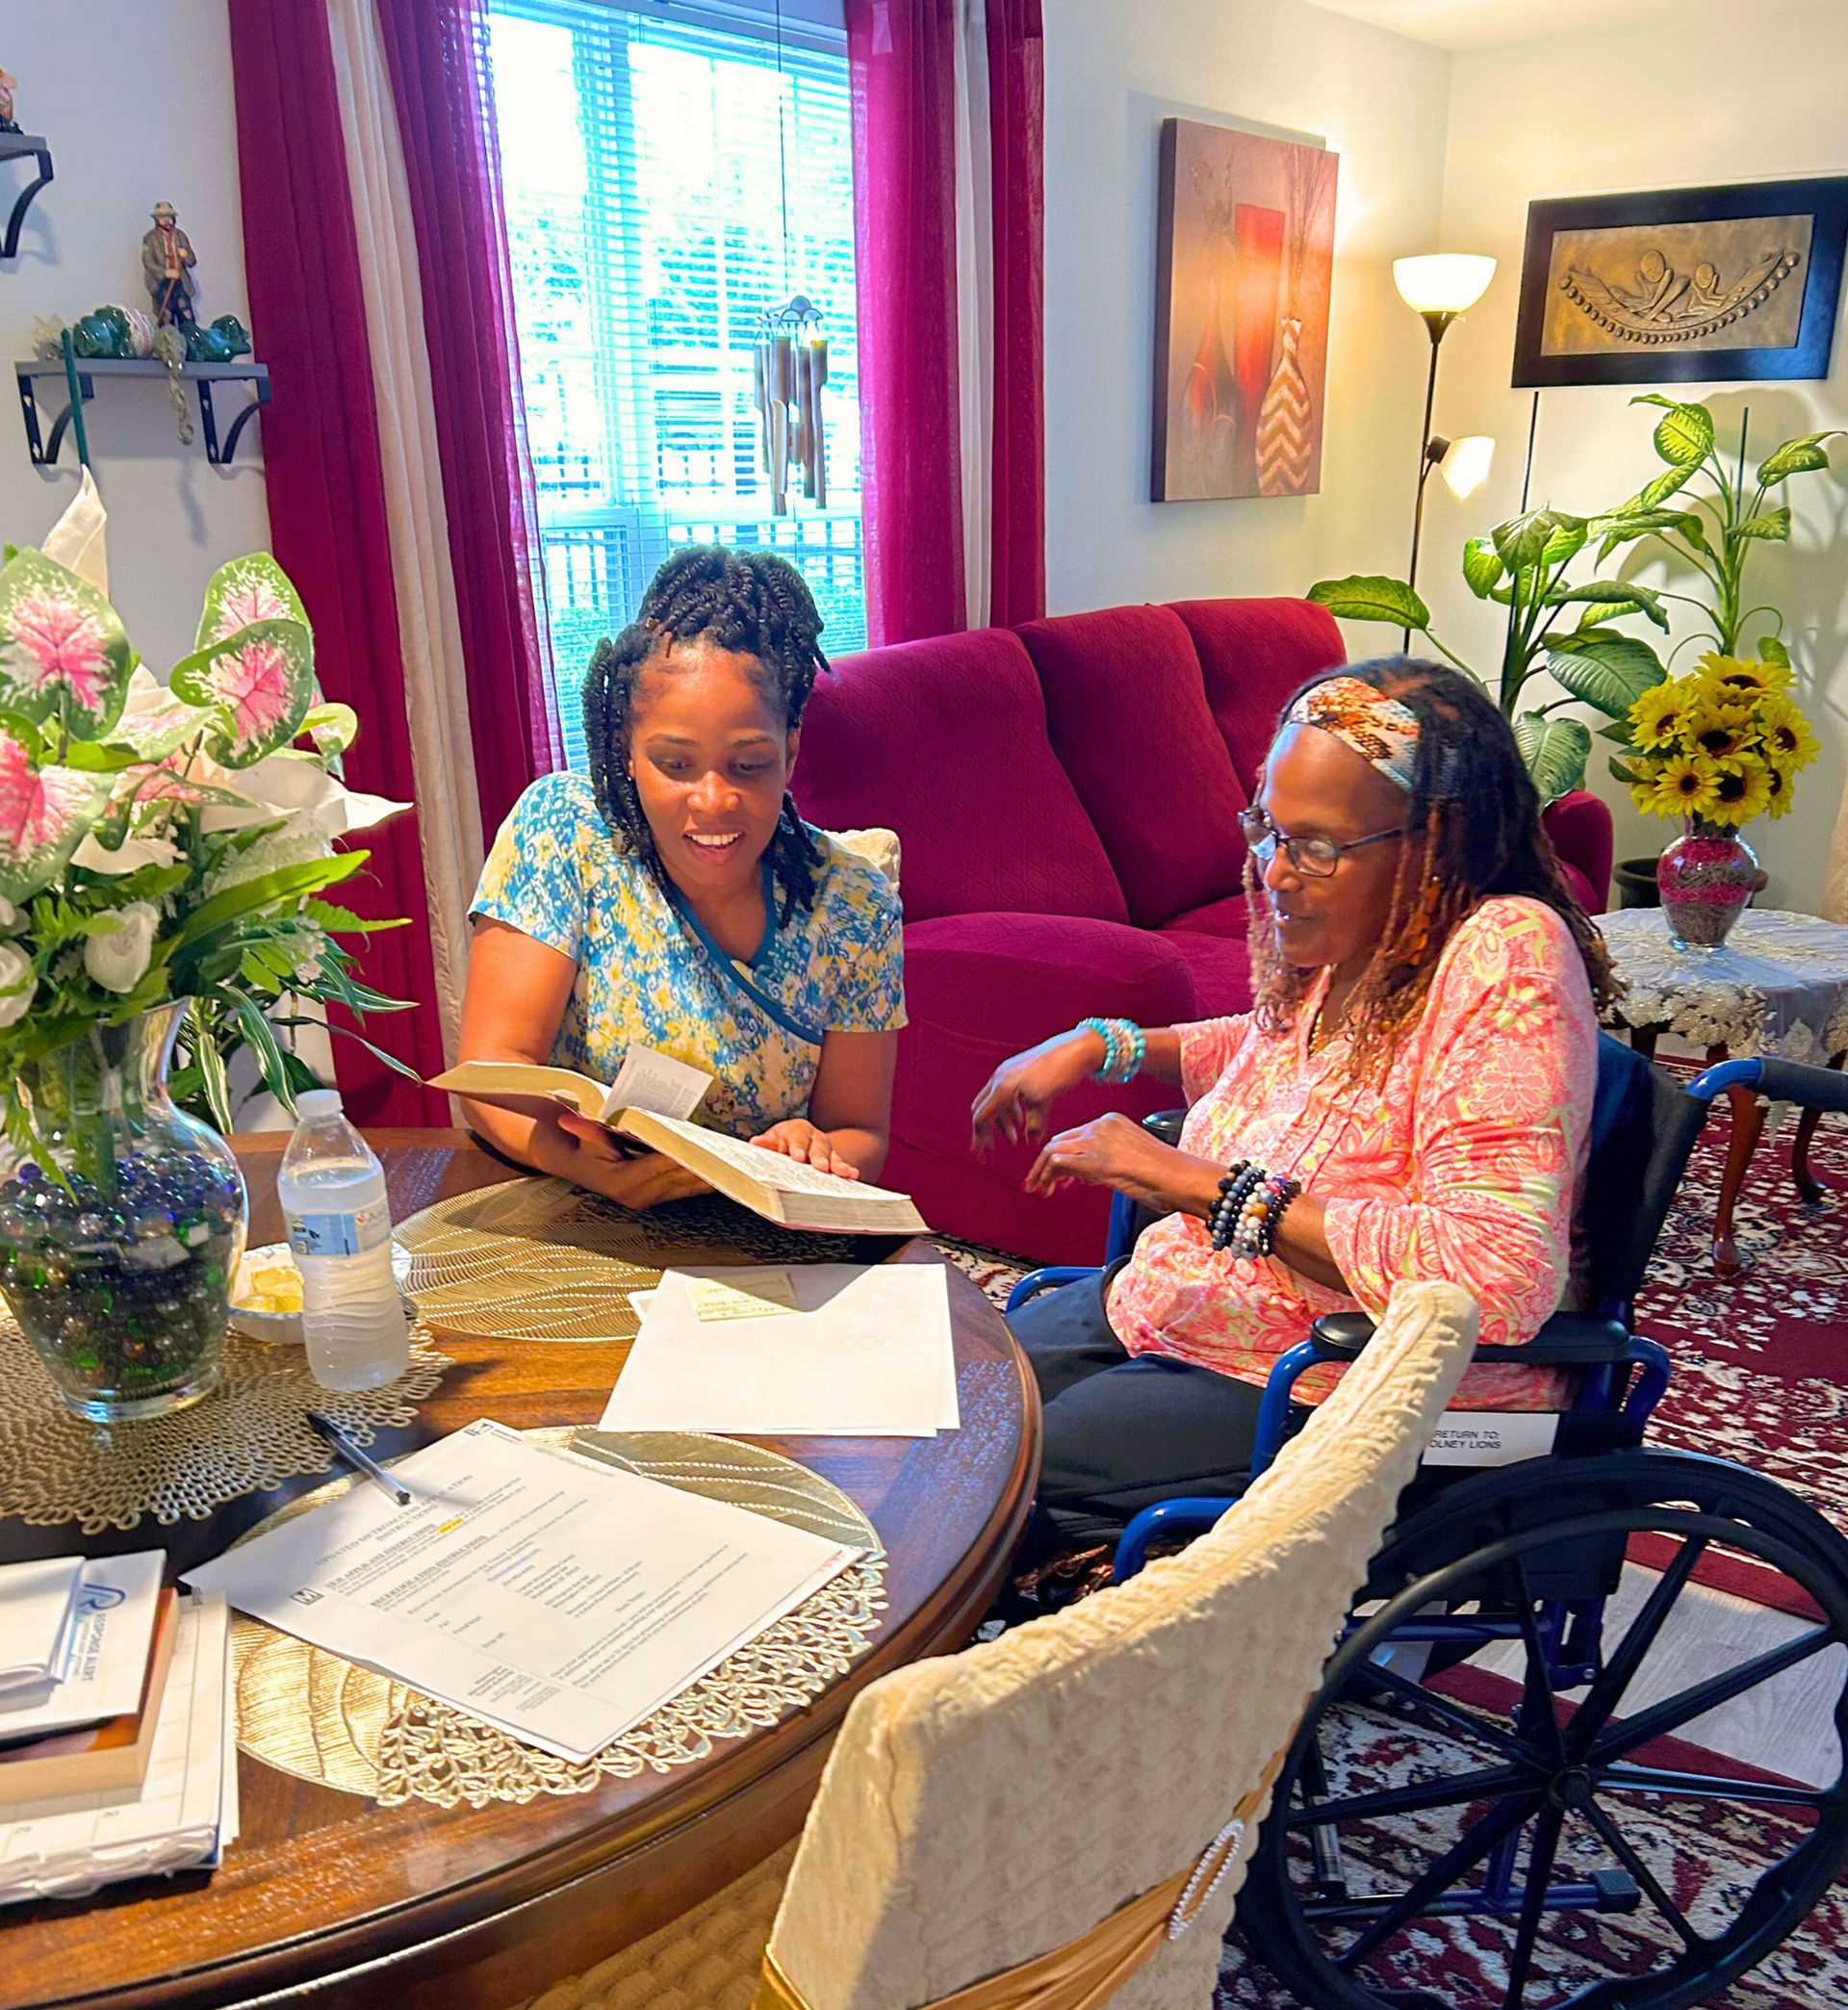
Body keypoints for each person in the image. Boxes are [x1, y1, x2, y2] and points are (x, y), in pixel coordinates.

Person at [973, 657, 1610, 1552]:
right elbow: (1283, 1053)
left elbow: (1495, 1273)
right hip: (1201, 1317)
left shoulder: (1505, 955)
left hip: (1347, 1387)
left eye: (1315, 846)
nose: (1275, 873)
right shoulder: (1378, 940)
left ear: (1438, 838)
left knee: (983, 1480)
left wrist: (1195, 1182)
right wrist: (1102, 1045)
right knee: (948, 1395)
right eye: (1268, 831)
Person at [457, 546, 903, 1207]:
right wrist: (582, 1162)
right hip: (574, 1207)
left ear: (790, 749)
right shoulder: (567, 833)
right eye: (675, 764)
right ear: (627, 753)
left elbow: (860, 1130)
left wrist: (814, 1148)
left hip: (756, 1235)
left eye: (748, 765)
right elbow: (492, 1072)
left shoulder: (853, 904)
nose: (714, 800)